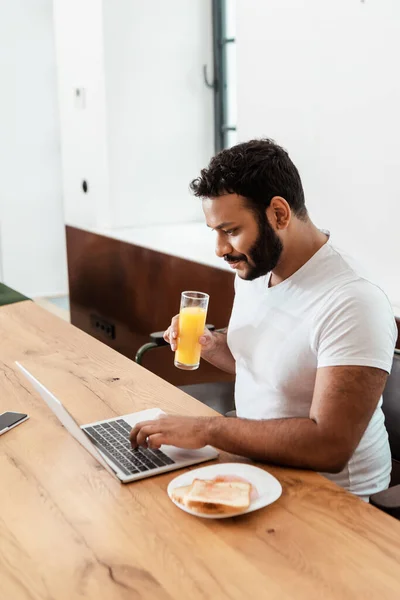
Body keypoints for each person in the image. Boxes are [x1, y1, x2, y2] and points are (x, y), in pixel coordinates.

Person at [130, 139, 397, 500]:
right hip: (257, 467)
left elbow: (328, 446)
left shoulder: (352, 300)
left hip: (333, 497)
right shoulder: (258, 270)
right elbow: (263, 366)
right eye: (216, 232)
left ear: (279, 214)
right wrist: (210, 345)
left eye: (231, 230)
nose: (221, 249)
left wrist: (210, 429)